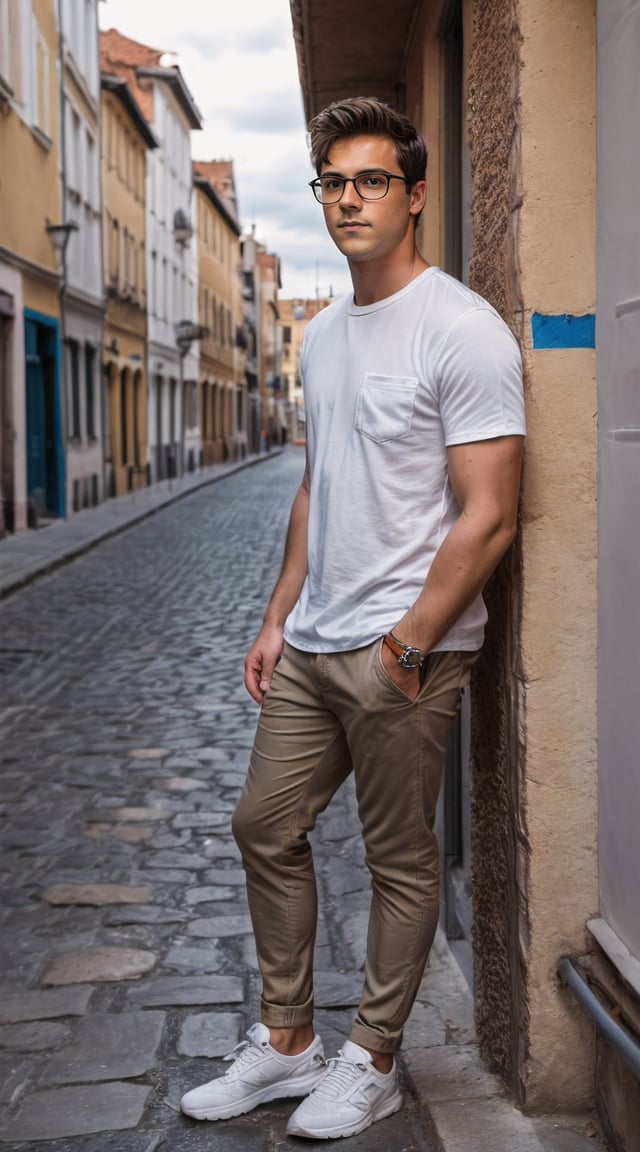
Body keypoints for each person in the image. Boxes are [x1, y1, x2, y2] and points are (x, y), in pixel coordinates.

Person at [180, 96, 526, 1141]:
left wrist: (409, 645)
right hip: (314, 642)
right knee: (263, 826)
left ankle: (371, 1058)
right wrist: (276, 616)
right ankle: (289, 1043)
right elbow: (314, 487)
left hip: (404, 650)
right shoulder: (325, 334)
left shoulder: (460, 327)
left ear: (414, 195)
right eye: (333, 182)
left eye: (371, 180)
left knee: (398, 862)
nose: (349, 199)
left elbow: (490, 513)